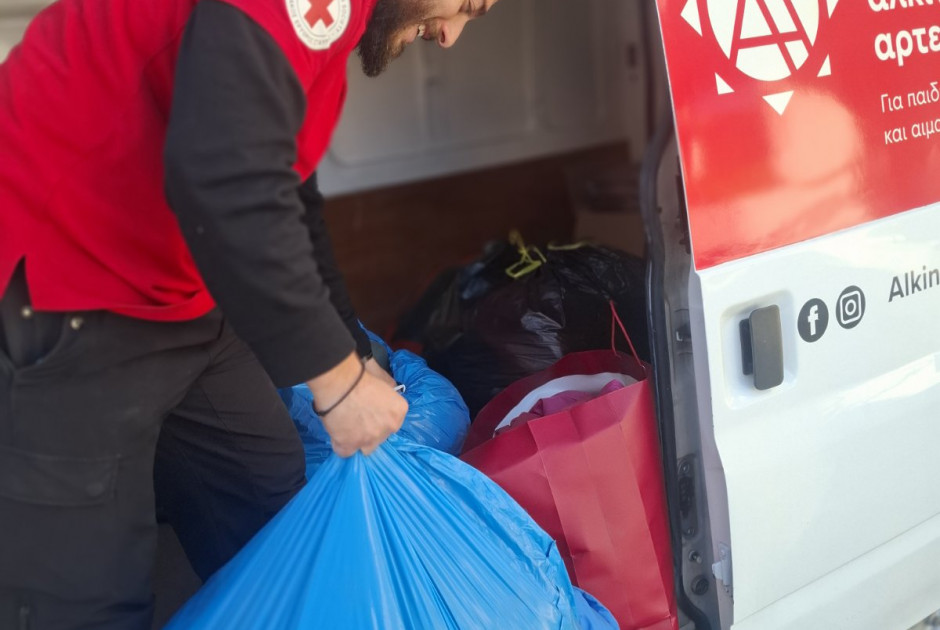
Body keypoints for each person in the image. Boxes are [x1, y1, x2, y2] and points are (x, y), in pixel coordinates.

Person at [0, 0, 497, 626]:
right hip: (70, 282)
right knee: (84, 597)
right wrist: (335, 382)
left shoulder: (335, 25)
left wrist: (351, 348)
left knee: (271, 510)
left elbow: (287, 186)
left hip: (187, 288)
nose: (451, 35)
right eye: (468, 5)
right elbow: (227, 178)